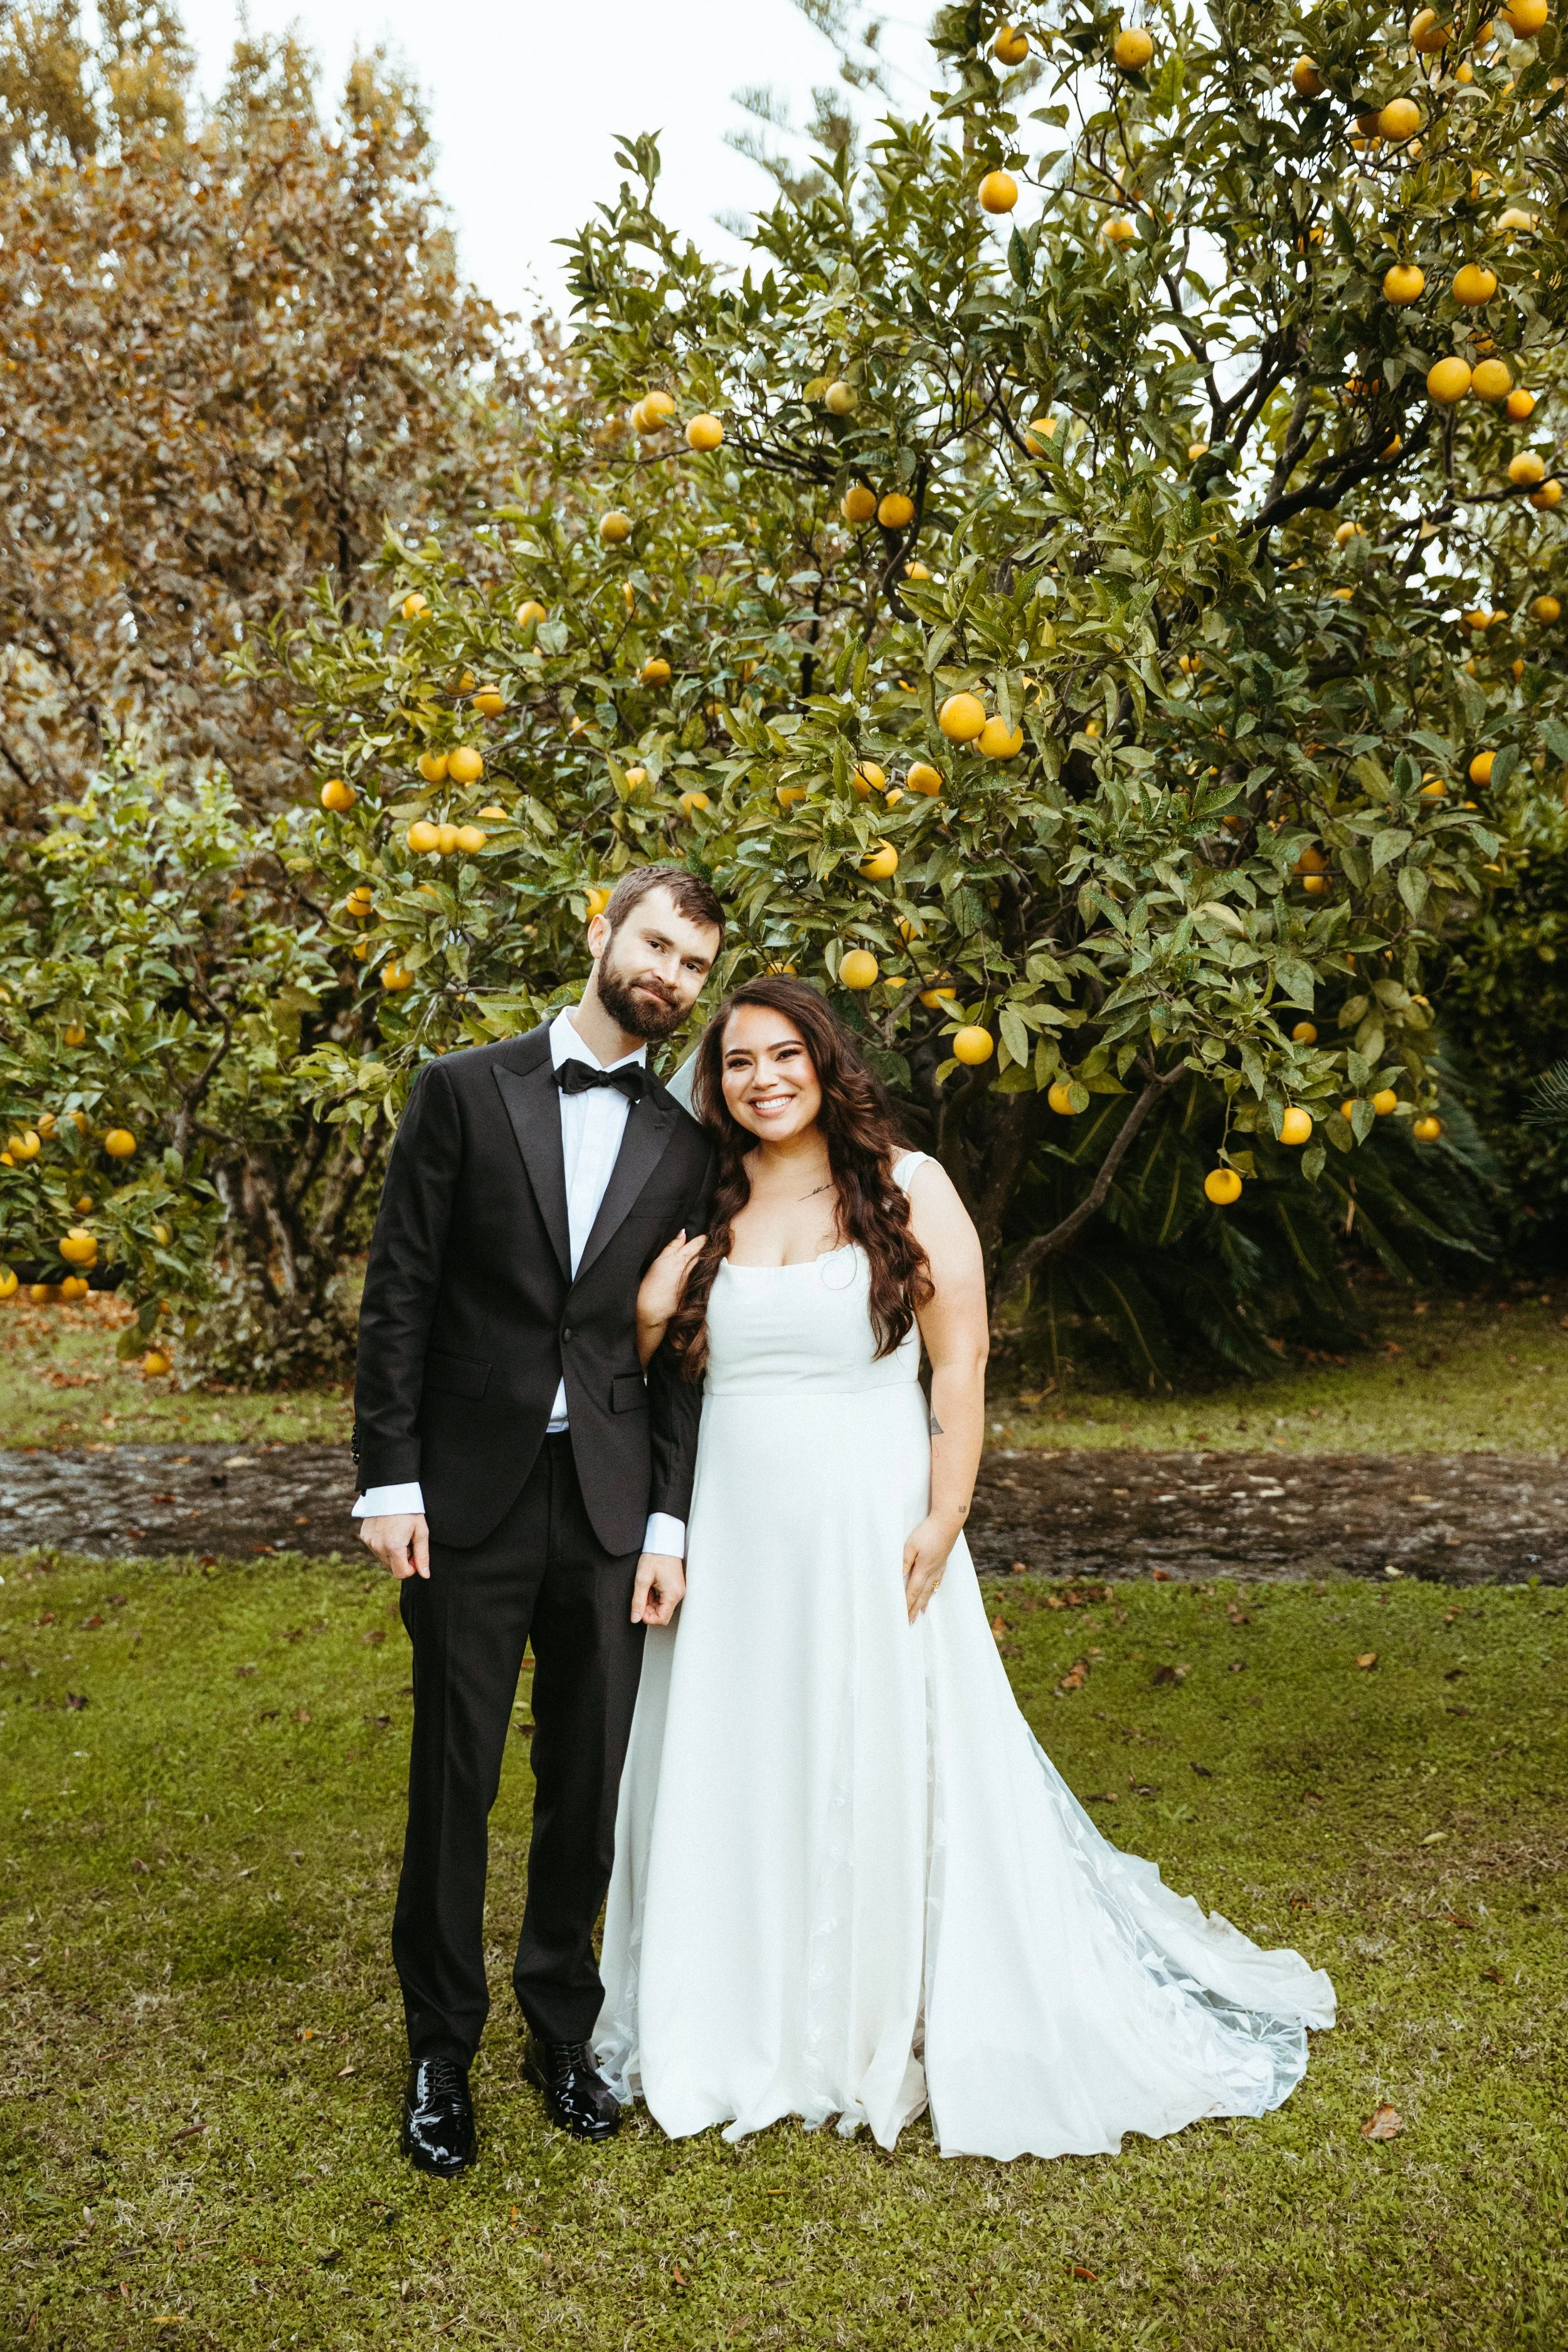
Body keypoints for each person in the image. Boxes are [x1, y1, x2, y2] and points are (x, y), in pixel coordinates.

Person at [595, 976, 1336, 2160]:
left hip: (871, 1514)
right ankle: (743, 1998)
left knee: (878, 1741)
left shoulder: (906, 1184)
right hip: (735, 1525)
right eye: (738, 1063)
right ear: (717, 1083)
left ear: (825, 1063)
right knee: (744, 1744)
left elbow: (961, 1360)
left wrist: (947, 1512)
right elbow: (664, 1375)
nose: (763, 1079)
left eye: (784, 1055)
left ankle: (880, 1994)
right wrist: (642, 1317)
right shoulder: (703, 1196)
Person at [352, 866, 724, 2175]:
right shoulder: (462, 1089)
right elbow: (400, 1293)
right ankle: (438, 2049)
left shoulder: (690, 1147)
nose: (670, 976)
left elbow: (682, 1353)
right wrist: (388, 1479)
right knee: (452, 1774)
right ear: (598, 929)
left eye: (692, 965)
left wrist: (668, 1523)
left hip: (611, 1508)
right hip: (464, 1500)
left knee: (587, 1776)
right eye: (657, 944)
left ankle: (557, 2030)